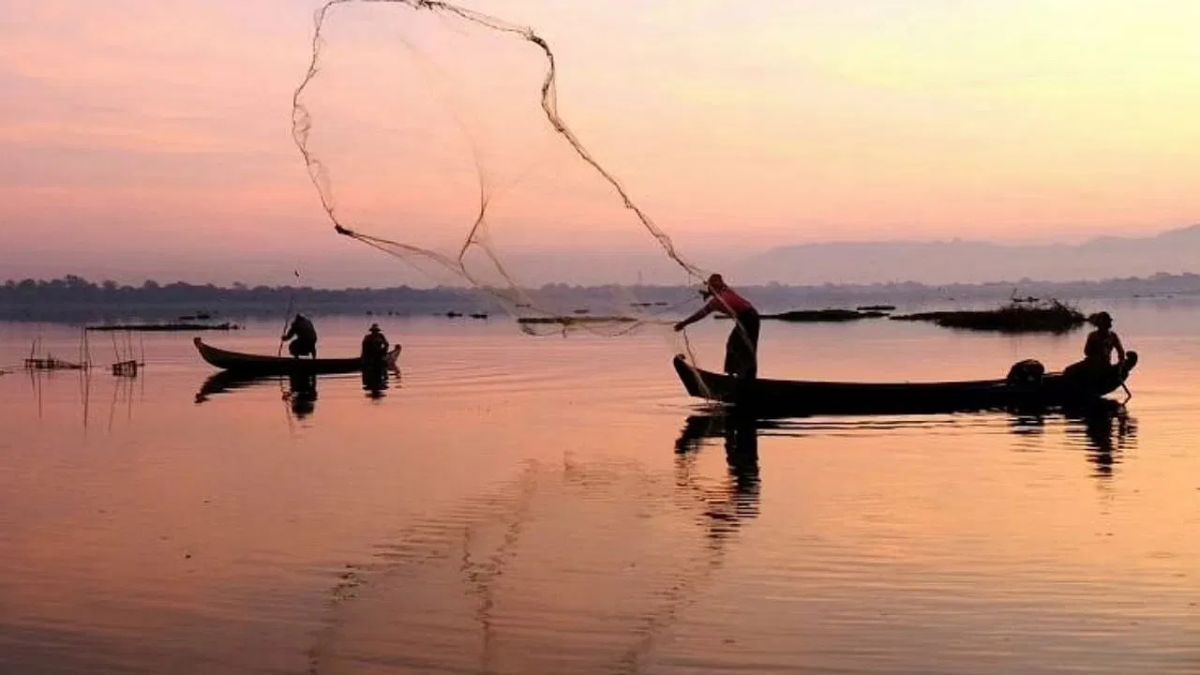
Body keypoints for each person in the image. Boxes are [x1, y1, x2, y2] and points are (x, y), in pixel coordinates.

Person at [674, 274, 760, 380]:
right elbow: (719, 288)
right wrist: (708, 293)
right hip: (750, 317)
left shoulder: (717, 301)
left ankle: (743, 377)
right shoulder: (726, 291)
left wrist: (684, 323)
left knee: (739, 346)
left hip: (748, 318)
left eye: (710, 286)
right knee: (739, 346)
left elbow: (700, 314)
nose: (709, 288)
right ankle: (740, 376)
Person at [1063, 311, 1128, 388]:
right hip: (1092, 363)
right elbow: (1087, 352)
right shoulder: (1094, 336)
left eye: (1105, 322)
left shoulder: (1109, 336)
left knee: (1069, 371)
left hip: (1101, 364)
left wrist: (1120, 364)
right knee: (1069, 370)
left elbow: (1120, 352)